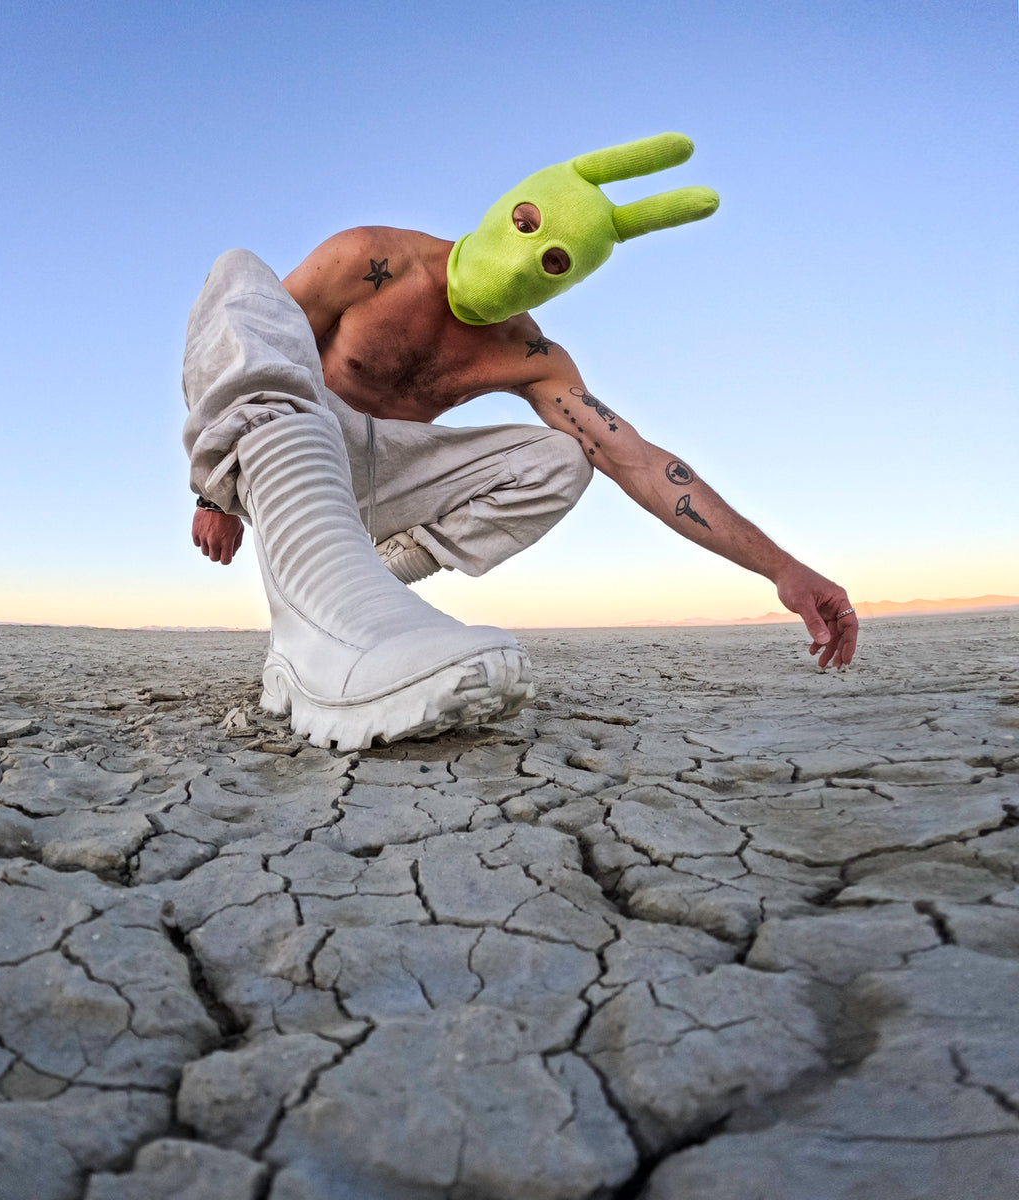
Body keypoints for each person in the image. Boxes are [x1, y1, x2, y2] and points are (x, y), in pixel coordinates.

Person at [182, 133, 858, 751]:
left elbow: (641, 462)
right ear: (509, 205)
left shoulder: (530, 355)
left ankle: (368, 589)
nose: (526, 258)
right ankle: (326, 600)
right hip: (286, 454)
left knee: (563, 457)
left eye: (554, 261)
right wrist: (211, 489)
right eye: (526, 224)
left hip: (382, 487)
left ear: (570, 280)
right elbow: (260, 348)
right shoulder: (373, 258)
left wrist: (783, 569)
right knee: (240, 274)